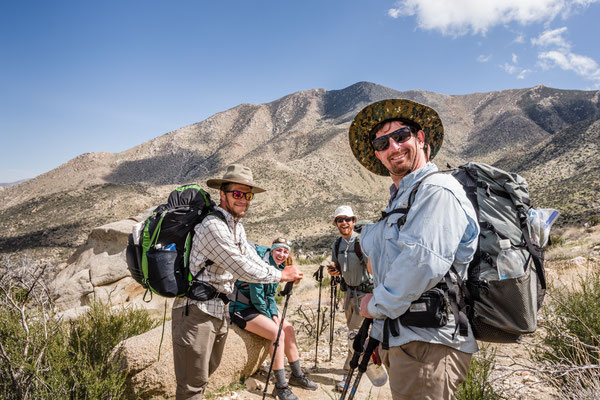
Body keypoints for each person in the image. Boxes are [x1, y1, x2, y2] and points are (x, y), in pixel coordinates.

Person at [348, 99, 480, 400]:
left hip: (428, 345)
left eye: (401, 136)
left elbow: (421, 264)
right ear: (378, 154)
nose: (393, 147)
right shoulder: (402, 199)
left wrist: (374, 305)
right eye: (382, 142)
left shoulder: (437, 190)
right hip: (405, 339)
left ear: (420, 139)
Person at [171, 164, 303, 400]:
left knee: (204, 376)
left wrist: (278, 271)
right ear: (223, 194)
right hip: (196, 311)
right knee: (191, 384)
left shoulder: (235, 226)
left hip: (219, 309)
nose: (244, 200)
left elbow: (251, 258)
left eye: (248, 195)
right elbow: (241, 268)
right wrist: (281, 275)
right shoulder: (213, 226)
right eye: (238, 194)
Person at [229, 237, 318, 400]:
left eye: (285, 251)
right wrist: (271, 317)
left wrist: (275, 315)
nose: (282, 254)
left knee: (288, 329)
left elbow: (269, 295)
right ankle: (280, 386)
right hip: (241, 308)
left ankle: (297, 376)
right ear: (271, 250)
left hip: (257, 307)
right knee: (277, 334)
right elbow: (257, 297)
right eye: (279, 250)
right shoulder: (259, 262)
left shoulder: (277, 267)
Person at [326, 205, 372, 391]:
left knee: (354, 335)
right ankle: (366, 362)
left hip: (365, 294)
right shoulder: (337, 244)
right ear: (336, 223)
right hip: (348, 295)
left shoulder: (362, 242)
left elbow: (372, 267)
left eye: (347, 219)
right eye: (340, 220)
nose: (344, 222)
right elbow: (336, 264)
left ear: (354, 221)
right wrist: (333, 269)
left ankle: (349, 376)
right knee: (355, 333)